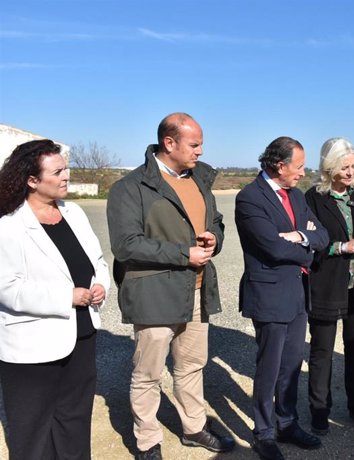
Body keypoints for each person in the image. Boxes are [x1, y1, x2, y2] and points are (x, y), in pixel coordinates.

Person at [107, 113, 233, 459]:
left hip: (196, 290)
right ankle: (147, 441)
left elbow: (218, 222)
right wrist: (184, 254)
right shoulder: (129, 188)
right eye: (194, 144)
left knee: (191, 365)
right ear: (169, 143)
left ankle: (194, 428)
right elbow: (125, 244)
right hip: (154, 292)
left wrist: (213, 239)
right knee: (148, 373)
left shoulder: (200, 182)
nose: (201, 151)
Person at [0, 139, 109, 459]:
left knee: (75, 418)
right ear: (32, 180)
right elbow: (7, 287)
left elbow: (97, 260)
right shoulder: (8, 225)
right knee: (32, 427)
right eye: (58, 171)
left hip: (81, 333)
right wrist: (66, 296)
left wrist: (100, 284)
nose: (66, 176)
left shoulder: (73, 212)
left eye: (66, 169)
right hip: (32, 343)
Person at [235, 136, 329, 460]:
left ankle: (287, 423)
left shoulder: (297, 196)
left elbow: (323, 235)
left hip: (298, 296)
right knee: (269, 368)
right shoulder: (250, 198)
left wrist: (301, 236)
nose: (304, 173)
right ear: (280, 165)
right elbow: (272, 247)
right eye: (299, 166)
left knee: (291, 365)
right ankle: (264, 432)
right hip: (270, 295)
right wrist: (306, 253)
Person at [304, 138, 354, 435]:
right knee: (322, 351)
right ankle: (319, 410)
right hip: (326, 285)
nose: (351, 172)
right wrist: (341, 247)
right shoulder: (312, 198)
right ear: (329, 167)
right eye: (344, 167)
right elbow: (309, 243)